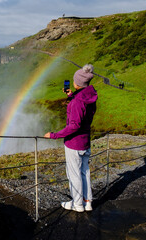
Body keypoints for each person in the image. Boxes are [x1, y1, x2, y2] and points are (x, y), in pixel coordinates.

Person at [44, 64, 98, 212]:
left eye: (74, 81)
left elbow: (74, 126)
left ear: (77, 83)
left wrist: (54, 135)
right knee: (84, 172)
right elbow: (82, 103)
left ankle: (77, 204)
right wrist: (70, 95)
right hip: (85, 141)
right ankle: (88, 202)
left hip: (74, 144)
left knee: (74, 174)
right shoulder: (90, 95)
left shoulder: (76, 102)